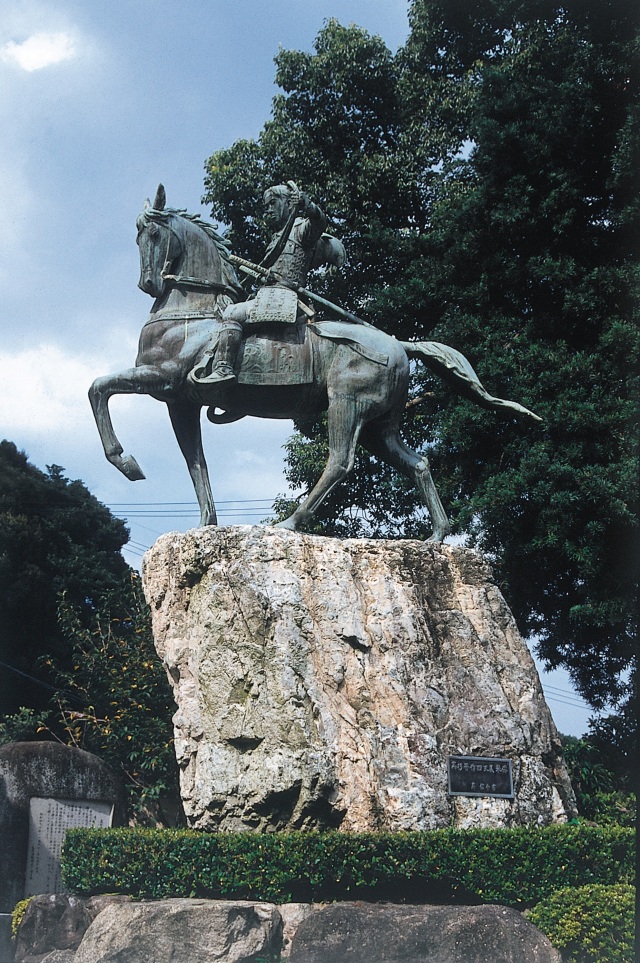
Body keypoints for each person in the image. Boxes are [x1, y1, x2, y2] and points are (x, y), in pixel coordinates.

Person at [190, 182, 329, 385]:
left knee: (231, 313)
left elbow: (319, 223)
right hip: (269, 296)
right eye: (267, 206)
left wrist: (308, 205)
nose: (269, 210)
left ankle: (223, 369)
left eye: (273, 203)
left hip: (285, 299)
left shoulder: (300, 229)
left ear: (287, 203)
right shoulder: (276, 238)